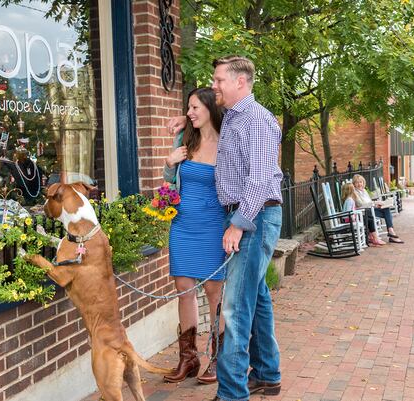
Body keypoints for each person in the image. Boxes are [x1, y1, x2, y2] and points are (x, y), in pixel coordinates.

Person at [168, 55, 283, 401]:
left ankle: (232, 393)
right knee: (258, 298)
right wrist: (186, 121)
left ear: (240, 82)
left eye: (219, 80)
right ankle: (266, 374)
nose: (214, 85)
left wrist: (237, 224)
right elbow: (208, 133)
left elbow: (260, 179)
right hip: (244, 215)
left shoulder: (257, 120)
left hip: (254, 217)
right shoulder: (233, 118)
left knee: (234, 306)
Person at [162, 87, 226, 385]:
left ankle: (218, 358)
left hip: (214, 226)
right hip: (183, 224)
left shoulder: (228, 142)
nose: (189, 112)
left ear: (210, 109)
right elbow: (169, 181)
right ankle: (188, 358)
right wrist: (170, 162)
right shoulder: (185, 138)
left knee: (215, 292)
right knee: (184, 288)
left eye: (194, 107)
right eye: (187, 107)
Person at [352, 174, 404, 244]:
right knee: (386, 212)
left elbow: (369, 202)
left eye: (361, 182)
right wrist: (375, 203)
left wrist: (377, 205)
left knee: (386, 209)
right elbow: (360, 205)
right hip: (364, 212)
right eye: (357, 182)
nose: (359, 184)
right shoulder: (355, 193)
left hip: (371, 209)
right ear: (354, 184)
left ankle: (391, 231)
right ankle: (391, 234)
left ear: (363, 183)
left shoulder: (364, 191)